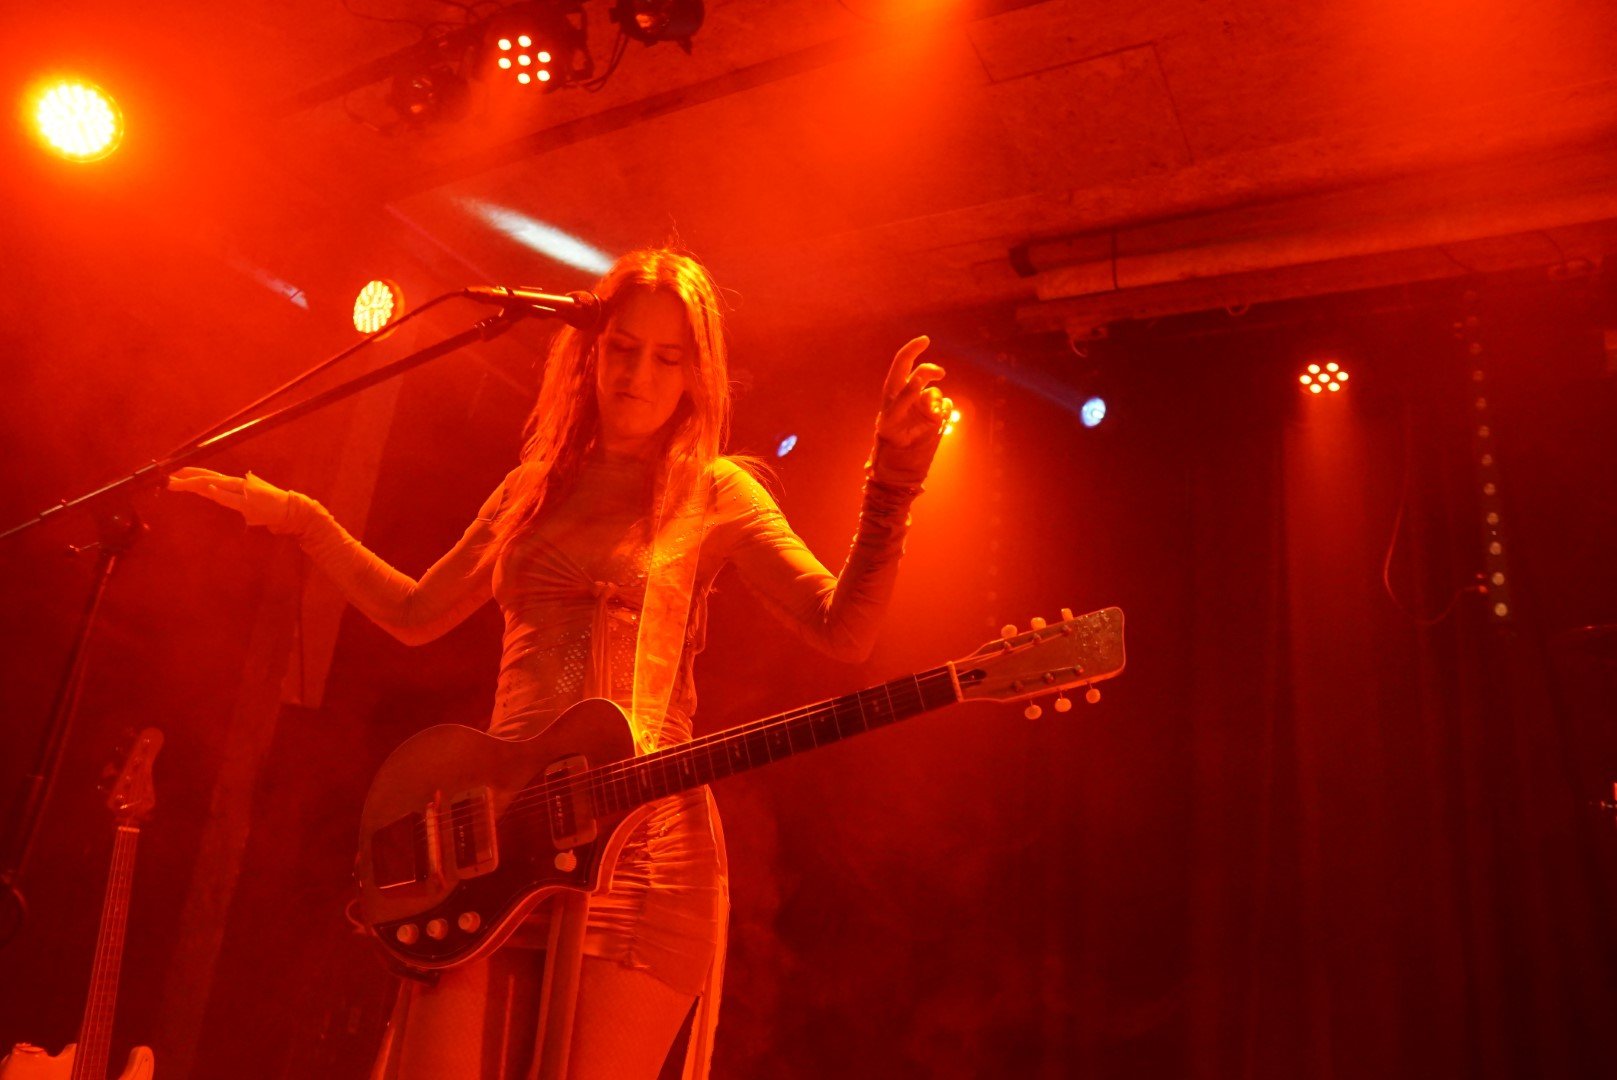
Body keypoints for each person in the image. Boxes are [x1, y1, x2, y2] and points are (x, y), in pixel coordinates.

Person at [168, 248, 949, 1080]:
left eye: (666, 357)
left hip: (644, 850)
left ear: (696, 377)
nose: (637, 375)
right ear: (589, 350)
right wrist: (304, 521)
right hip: (497, 837)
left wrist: (892, 485)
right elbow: (415, 613)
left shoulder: (717, 493)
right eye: (623, 348)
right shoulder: (528, 490)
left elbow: (843, 631)